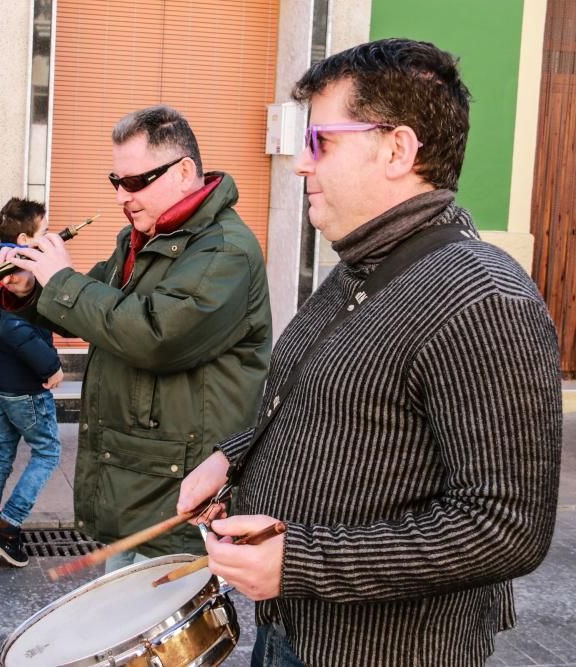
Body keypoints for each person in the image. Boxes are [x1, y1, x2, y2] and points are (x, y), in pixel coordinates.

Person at [177, 38, 562, 666]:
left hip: (383, 651)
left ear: (397, 149)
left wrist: (301, 562)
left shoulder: (483, 299)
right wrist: (233, 459)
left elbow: (504, 527)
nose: (301, 165)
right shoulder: (362, 265)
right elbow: (328, 404)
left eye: (320, 142)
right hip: (294, 628)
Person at [0, 105, 272, 569]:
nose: (123, 195)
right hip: (136, 477)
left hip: (177, 488)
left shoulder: (225, 250)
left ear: (184, 172)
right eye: (116, 181)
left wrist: (59, 282)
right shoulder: (141, 236)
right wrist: (31, 286)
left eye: (136, 181)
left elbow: (155, 335)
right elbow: (94, 309)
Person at [0, 198, 65, 568]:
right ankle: (7, 528)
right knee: (48, 451)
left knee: (1, 453)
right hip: (24, 383)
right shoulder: (19, 272)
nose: (50, 237)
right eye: (44, 231)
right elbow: (16, 328)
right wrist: (51, 366)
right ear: (24, 238)